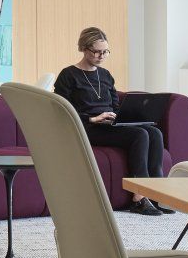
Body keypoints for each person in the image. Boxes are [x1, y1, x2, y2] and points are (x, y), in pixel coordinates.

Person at [52, 27, 172, 216]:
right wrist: (92, 118)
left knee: (155, 133)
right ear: (84, 48)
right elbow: (59, 110)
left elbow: (115, 106)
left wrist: (121, 116)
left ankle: (155, 193)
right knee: (139, 135)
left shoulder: (106, 75)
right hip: (87, 127)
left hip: (108, 126)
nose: (101, 56)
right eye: (97, 52)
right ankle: (139, 196)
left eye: (105, 51)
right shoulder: (68, 75)